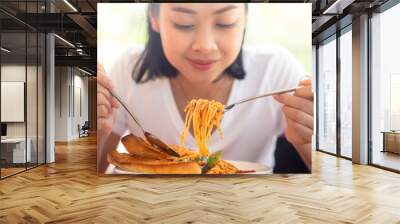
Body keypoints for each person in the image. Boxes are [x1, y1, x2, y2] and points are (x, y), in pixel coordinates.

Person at [97, 3, 313, 173]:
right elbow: (94, 174)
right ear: (154, 18)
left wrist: (308, 140)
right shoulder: (129, 71)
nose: (205, 45)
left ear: (244, 19)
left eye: (225, 22)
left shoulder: (275, 71)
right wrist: (97, 132)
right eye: (183, 23)